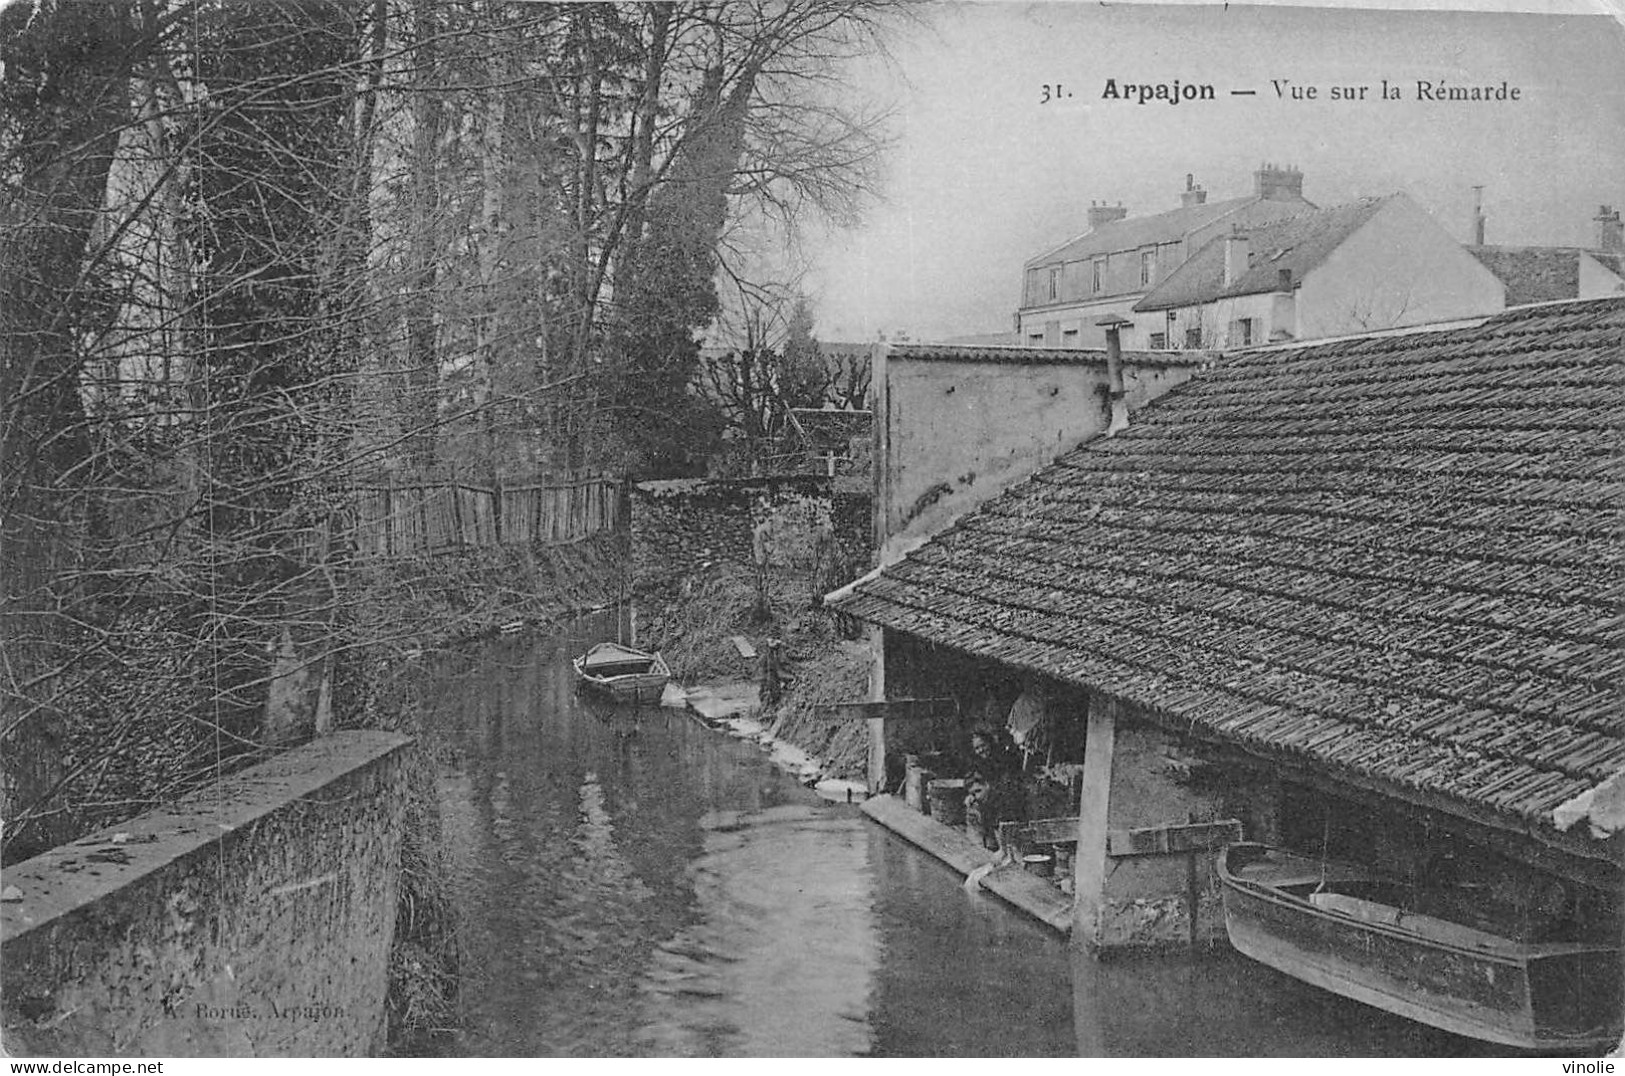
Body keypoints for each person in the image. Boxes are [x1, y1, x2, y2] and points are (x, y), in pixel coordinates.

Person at [963, 726, 1025, 852]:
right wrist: (972, 794)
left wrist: (989, 790)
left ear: (989, 743)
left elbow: (1009, 782)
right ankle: (986, 842)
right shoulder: (977, 762)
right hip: (989, 797)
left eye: (983, 745)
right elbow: (970, 780)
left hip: (1007, 797)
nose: (981, 750)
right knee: (974, 807)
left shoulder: (1003, 757)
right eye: (977, 748)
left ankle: (1002, 846)